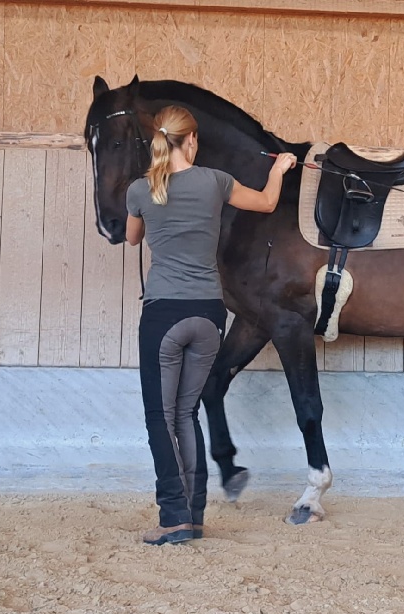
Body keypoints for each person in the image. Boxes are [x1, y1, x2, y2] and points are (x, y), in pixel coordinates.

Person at [125, 104, 297, 545]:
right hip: (208, 312)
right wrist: (279, 168)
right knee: (186, 414)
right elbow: (267, 202)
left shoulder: (141, 189)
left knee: (160, 417)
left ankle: (173, 517)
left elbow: (131, 237)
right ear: (192, 140)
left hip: (164, 314)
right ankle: (194, 516)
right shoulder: (216, 181)